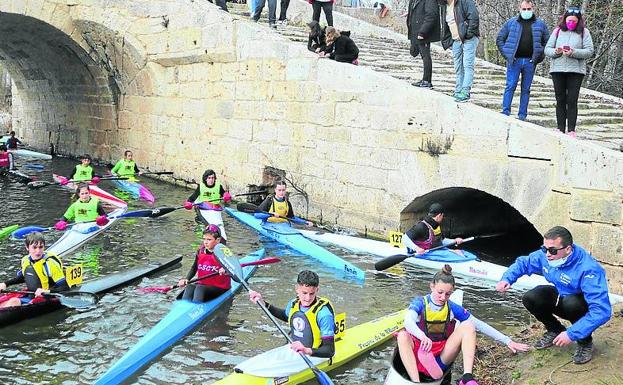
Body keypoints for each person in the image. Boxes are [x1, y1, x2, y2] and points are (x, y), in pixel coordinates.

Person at [496, 226, 611, 364]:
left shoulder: (589, 269)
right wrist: (507, 279)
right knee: (531, 297)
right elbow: (524, 263)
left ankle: (585, 342)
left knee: (571, 303)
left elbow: (602, 311)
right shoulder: (546, 256)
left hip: (579, 306)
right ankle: (555, 329)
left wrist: (571, 334)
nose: (547, 254)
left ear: (568, 249)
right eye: (545, 249)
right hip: (561, 295)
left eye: (552, 250)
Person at [397, 264, 529, 384]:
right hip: (419, 353)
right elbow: (408, 321)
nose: (443, 297)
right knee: (402, 336)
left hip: (441, 356)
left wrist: (508, 341)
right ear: (432, 286)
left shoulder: (452, 307)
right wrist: (421, 335)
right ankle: (415, 381)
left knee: (468, 326)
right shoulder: (419, 303)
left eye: (448, 294)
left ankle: (467, 377)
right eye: (440, 292)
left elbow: (480, 325)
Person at [249, 270, 336, 358]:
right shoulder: (294, 303)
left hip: (315, 355)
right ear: (297, 288)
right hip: (295, 350)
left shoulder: (324, 314)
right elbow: (286, 316)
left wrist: (306, 350)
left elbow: (330, 350)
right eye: (304, 293)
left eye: (312, 293)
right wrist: (263, 303)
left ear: (317, 289)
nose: (307, 298)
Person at [544, 7, 594, 138]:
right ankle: (560, 127)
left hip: (576, 71)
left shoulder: (584, 32)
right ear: (564, 20)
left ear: (578, 22)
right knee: (560, 99)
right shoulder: (557, 31)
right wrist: (556, 52)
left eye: (574, 21)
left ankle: (571, 129)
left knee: (572, 100)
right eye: (569, 20)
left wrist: (574, 52)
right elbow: (547, 49)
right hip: (558, 70)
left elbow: (589, 51)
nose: (571, 23)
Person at [496, 0, 549, 121]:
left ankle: (522, 114)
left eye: (528, 9)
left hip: (530, 62)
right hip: (514, 61)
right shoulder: (511, 23)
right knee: (510, 86)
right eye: (524, 9)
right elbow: (500, 39)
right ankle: (505, 111)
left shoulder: (540, 24)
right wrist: (507, 55)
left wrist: (538, 57)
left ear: (533, 9)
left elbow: (547, 42)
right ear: (519, 9)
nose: (526, 11)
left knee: (526, 89)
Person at [0, 232, 70, 308]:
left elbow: (65, 288)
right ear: (27, 247)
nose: (38, 251)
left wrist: (47, 291)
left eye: (41, 247)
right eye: (34, 247)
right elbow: (25, 276)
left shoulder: (49, 264)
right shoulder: (25, 260)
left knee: (14, 301)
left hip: (48, 296)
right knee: (11, 300)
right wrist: (5, 284)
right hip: (32, 294)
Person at [439, 0, 480, 102]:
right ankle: (458, 90)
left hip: (468, 39)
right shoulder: (443, 6)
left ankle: (465, 91)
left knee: (467, 65)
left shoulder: (464, 2)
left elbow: (474, 17)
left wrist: (468, 34)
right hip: (455, 40)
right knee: (458, 67)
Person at [177, 225, 231, 302]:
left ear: (218, 240)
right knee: (189, 286)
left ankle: (197, 309)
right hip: (203, 284)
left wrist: (226, 268)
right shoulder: (200, 250)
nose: (205, 242)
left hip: (220, 287)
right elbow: (194, 267)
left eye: (209, 239)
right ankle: (184, 307)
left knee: (200, 288)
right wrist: (186, 279)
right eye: (204, 239)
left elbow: (233, 268)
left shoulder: (224, 252)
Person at [184, 169, 232, 240]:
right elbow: (192, 198)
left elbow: (224, 194)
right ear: (205, 179)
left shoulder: (218, 186)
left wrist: (226, 196)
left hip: (215, 209)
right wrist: (188, 203)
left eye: (213, 178)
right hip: (203, 208)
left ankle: (222, 238)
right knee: (200, 223)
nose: (211, 180)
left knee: (219, 225)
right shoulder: (201, 187)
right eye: (209, 178)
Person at [407, 0, 441, 88]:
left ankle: (427, 81)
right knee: (417, 53)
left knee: (425, 56)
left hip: (423, 32)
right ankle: (425, 80)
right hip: (415, 31)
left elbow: (431, 16)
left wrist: (423, 32)